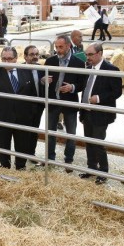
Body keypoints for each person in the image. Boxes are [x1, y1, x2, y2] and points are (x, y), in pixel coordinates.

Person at [0, 46, 37, 170]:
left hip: (23, 117)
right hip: (2, 117)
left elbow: (33, 94)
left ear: (16, 59)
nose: (7, 61)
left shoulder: (25, 70)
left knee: (22, 143)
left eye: (10, 58)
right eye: (4, 58)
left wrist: (32, 114)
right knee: (3, 144)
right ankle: (5, 166)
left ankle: (20, 166)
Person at [41, 35, 87, 171]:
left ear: (68, 46)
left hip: (70, 102)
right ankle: (50, 158)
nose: (58, 50)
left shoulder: (78, 63)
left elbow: (82, 83)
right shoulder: (50, 61)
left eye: (61, 47)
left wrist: (72, 87)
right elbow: (42, 78)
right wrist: (43, 80)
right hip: (53, 101)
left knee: (71, 133)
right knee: (50, 132)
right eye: (56, 47)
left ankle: (68, 160)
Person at [78, 42, 122, 184]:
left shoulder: (111, 69)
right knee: (89, 142)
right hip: (86, 111)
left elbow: (117, 92)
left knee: (98, 142)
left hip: (100, 113)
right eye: (86, 54)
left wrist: (99, 98)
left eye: (90, 54)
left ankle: (103, 171)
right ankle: (91, 168)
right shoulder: (87, 68)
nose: (88, 57)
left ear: (100, 53)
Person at [23, 45, 43, 161]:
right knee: (24, 132)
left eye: (36, 54)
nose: (35, 57)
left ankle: (31, 153)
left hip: (38, 106)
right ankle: (23, 154)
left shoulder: (41, 68)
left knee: (35, 130)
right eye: (31, 55)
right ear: (25, 57)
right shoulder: (19, 69)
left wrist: (42, 82)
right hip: (24, 107)